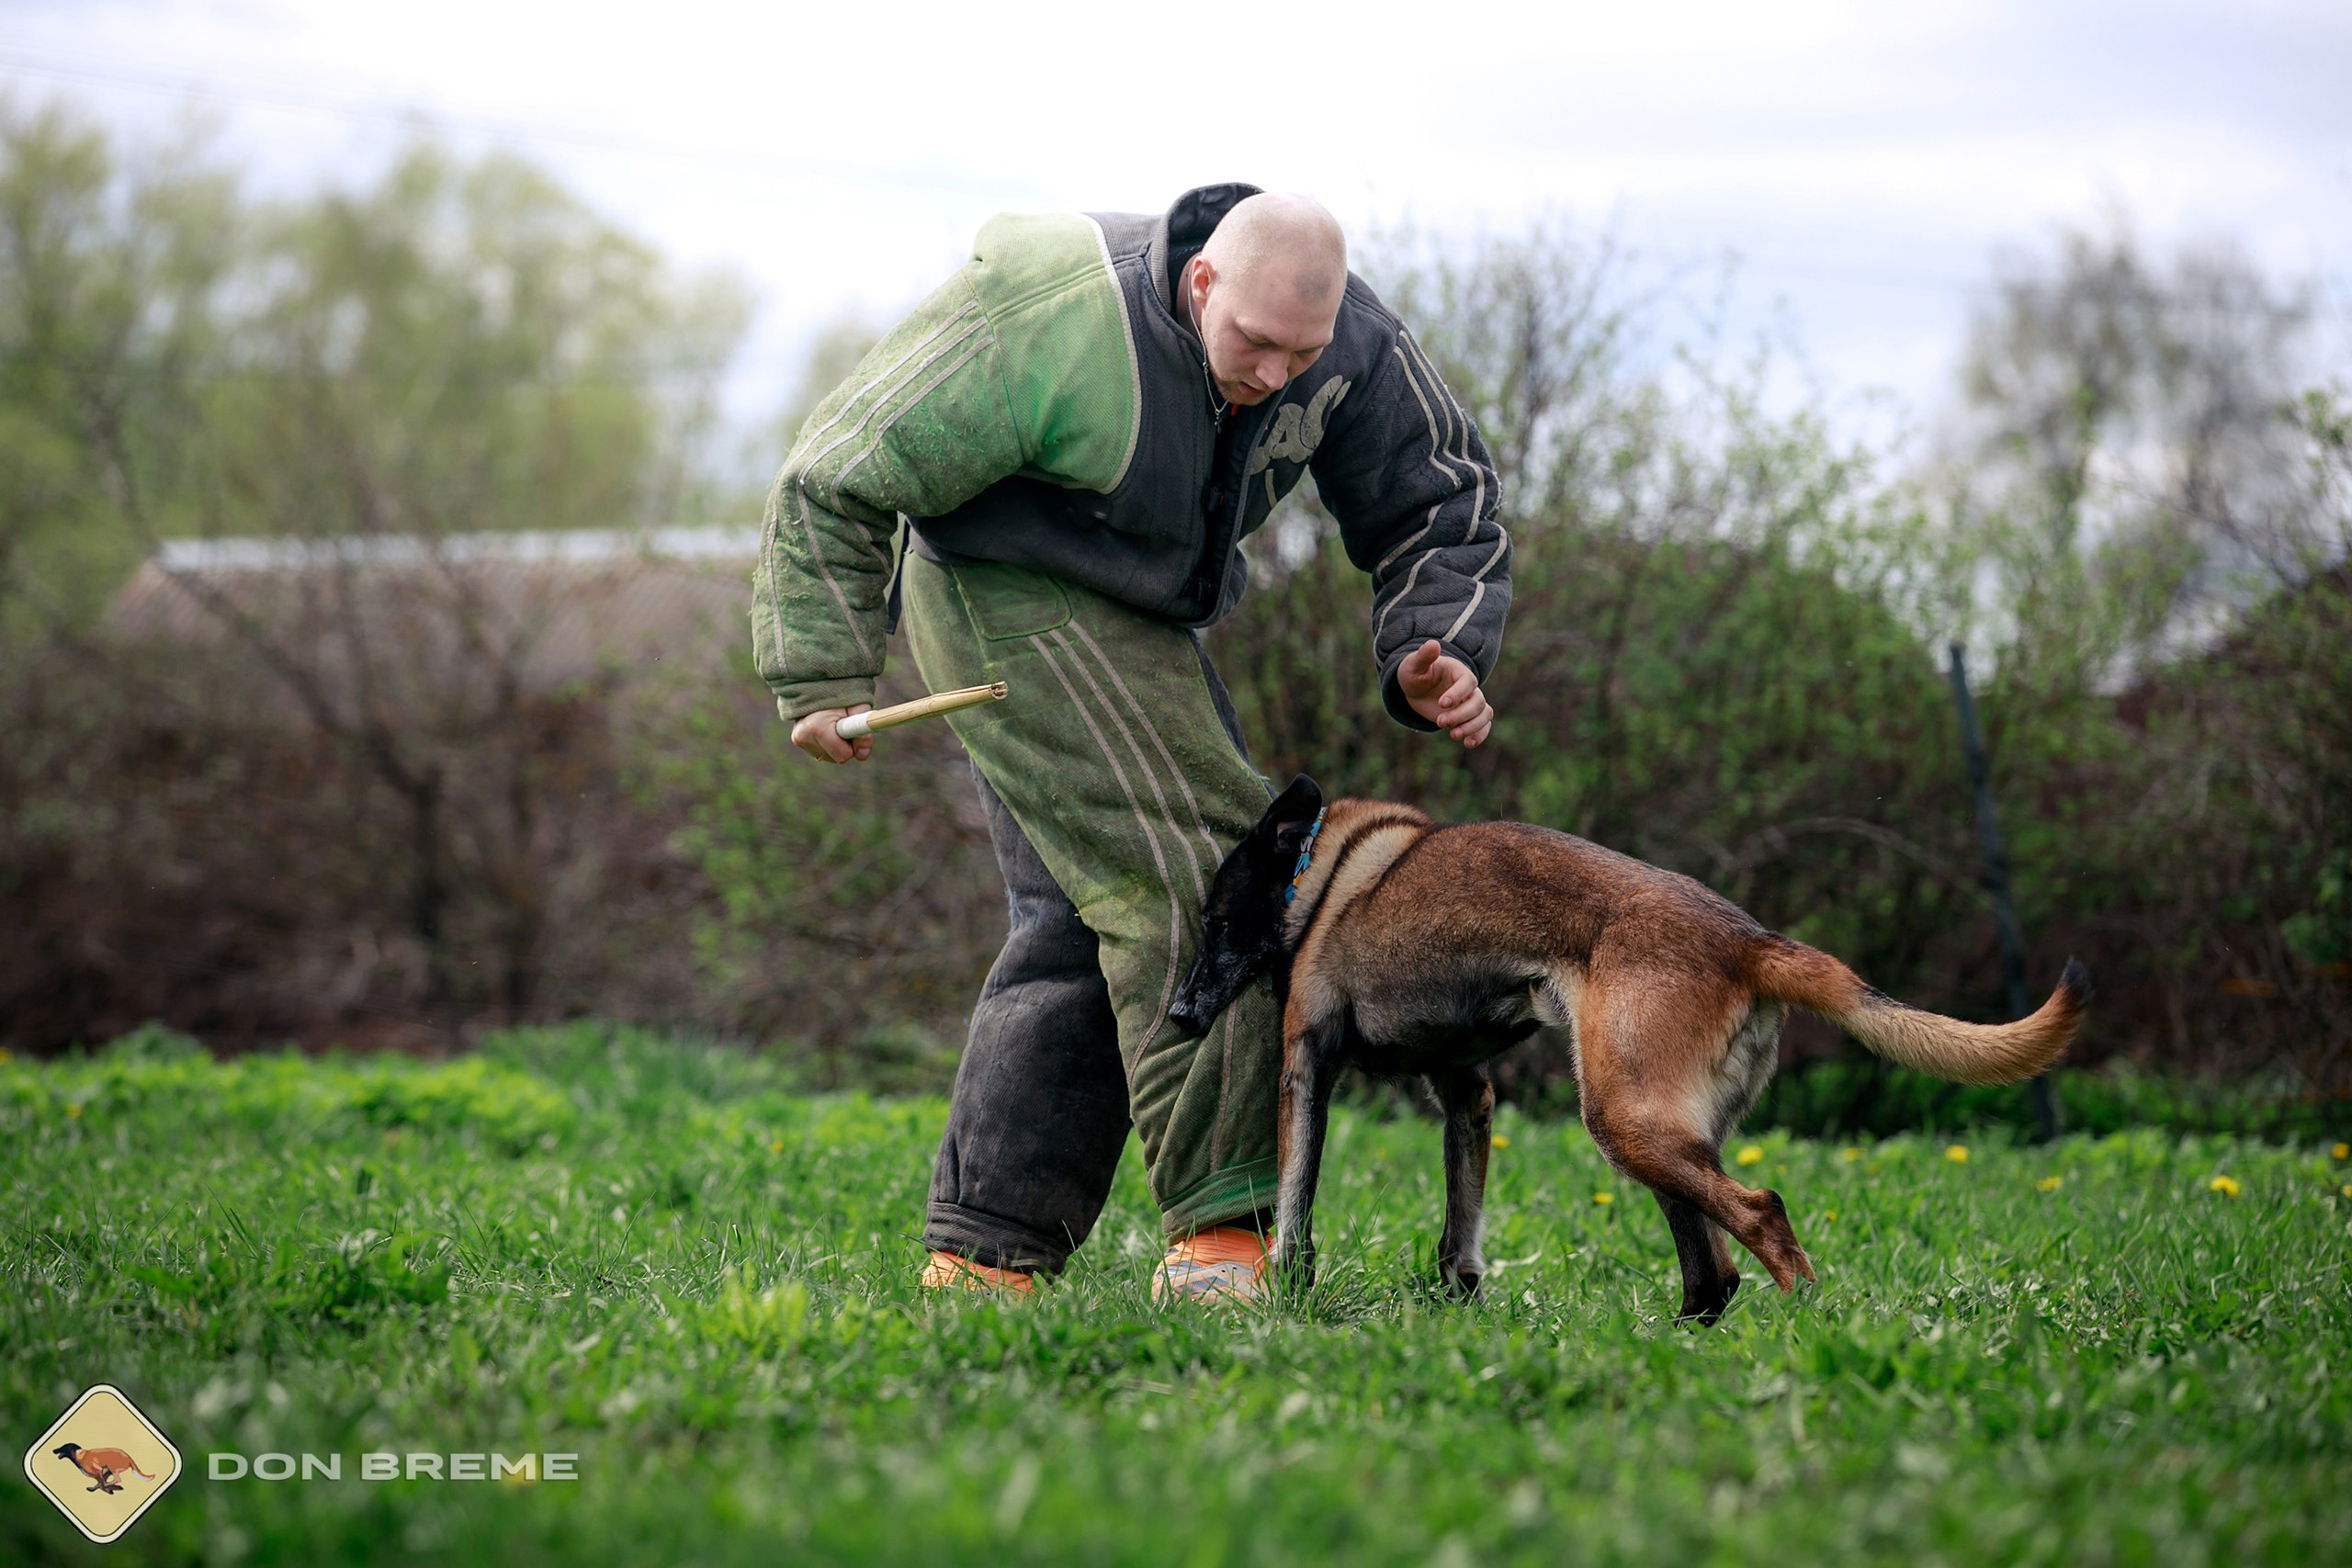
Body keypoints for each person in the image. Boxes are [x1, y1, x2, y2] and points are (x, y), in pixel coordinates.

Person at [752, 183, 1509, 1301]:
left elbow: (1443, 495)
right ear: (1203, 282)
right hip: (999, 590)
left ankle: (987, 1255)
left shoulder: (1348, 343)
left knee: (1076, 913)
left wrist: (1429, 645)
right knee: (1208, 874)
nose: (1274, 376)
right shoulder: (1051, 312)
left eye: (1300, 356)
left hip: (1142, 616)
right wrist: (820, 669)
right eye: (1253, 343)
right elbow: (837, 468)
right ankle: (1221, 1240)